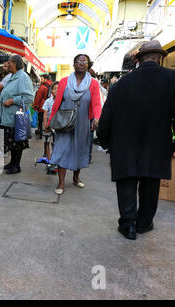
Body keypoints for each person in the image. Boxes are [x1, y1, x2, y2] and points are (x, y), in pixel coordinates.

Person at [97, 40, 175, 240]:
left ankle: (128, 225)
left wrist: (106, 142)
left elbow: (106, 118)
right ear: (160, 58)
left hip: (124, 144)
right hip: (157, 143)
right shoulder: (171, 79)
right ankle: (144, 223)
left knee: (127, 183)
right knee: (151, 182)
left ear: (138, 60)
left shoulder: (120, 84)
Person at [46, 54, 102, 195]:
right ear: (74, 64)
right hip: (64, 122)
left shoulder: (93, 83)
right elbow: (57, 103)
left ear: (88, 65)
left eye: (84, 62)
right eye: (78, 61)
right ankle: (61, 183)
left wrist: (97, 117)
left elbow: (96, 103)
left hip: (83, 123)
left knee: (80, 150)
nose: (81, 63)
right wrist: (50, 121)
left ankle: (76, 178)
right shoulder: (64, 82)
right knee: (63, 149)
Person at [0, 55, 34, 174]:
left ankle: (16, 166)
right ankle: (12, 163)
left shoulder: (23, 77)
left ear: (15, 63)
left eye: (9, 62)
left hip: (17, 117)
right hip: (9, 117)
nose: (7, 64)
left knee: (17, 142)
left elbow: (29, 97)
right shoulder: (12, 77)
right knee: (12, 141)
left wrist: (12, 100)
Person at [37, 81, 59, 165]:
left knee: (55, 142)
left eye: (59, 89)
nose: (56, 91)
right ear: (51, 90)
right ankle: (49, 159)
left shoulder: (62, 101)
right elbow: (45, 113)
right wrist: (45, 124)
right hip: (48, 125)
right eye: (54, 89)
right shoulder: (48, 101)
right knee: (46, 141)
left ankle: (55, 158)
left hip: (58, 125)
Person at [33, 74, 53, 139]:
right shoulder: (53, 85)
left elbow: (38, 97)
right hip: (51, 106)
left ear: (45, 79)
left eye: (42, 79)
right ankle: (50, 132)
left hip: (42, 106)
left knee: (40, 120)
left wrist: (35, 106)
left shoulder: (43, 87)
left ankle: (41, 133)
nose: (41, 80)